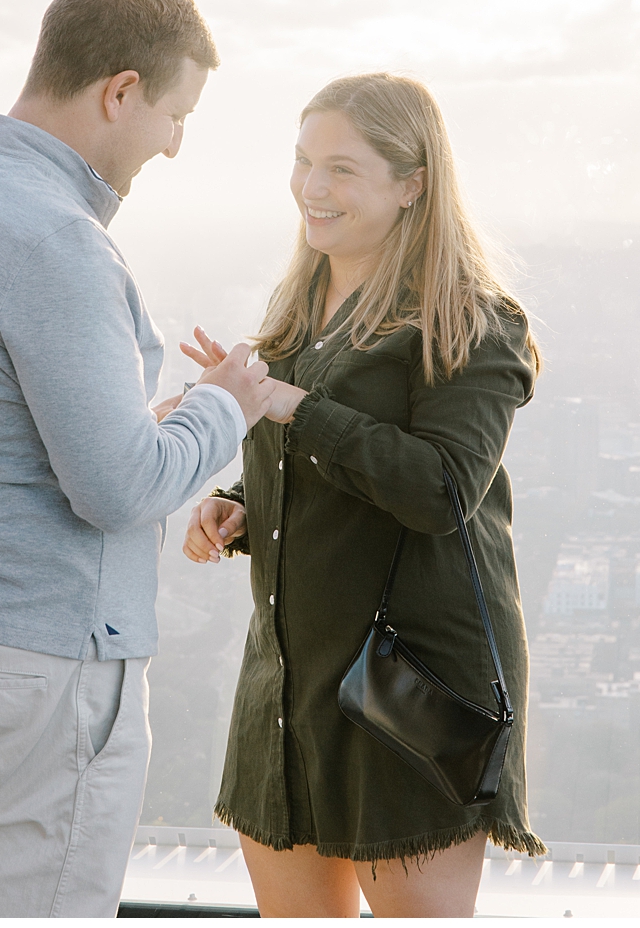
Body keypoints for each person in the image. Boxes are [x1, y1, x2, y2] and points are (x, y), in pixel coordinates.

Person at [0, 0, 277, 917]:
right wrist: (227, 406)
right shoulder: (52, 237)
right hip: (36, 661)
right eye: (176, 116)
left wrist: (156, 419)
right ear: (121, 92)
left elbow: (0, 426)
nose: (175, 147)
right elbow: (119, 490)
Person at [180, 72, 544, 918]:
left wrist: (289, 406)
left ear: (411, 182)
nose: (312, 187)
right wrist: (240, 506)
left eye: (342, 168)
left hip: (405, 686)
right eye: (305, 162)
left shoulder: (471, 322)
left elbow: (443, 491)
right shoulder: (301, 307)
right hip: (290, 683)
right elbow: (318, 468)